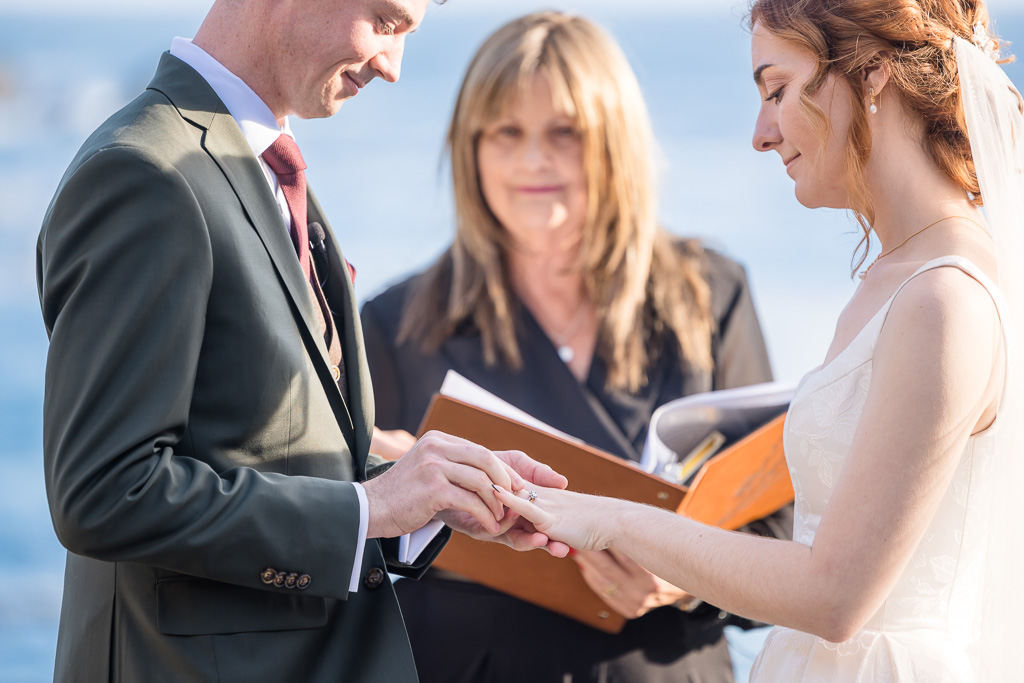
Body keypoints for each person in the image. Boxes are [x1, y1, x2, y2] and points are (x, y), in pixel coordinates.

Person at [35, 1, 570, 681]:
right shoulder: (145, 173)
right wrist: (369, 507)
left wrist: (430, 498)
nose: (393, 65)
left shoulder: (256, 164)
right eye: (385, 20)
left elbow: (259, 453)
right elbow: (105, 490)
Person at [495, 0, 1024, 680]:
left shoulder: (942, 300)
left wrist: (615, 521)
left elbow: (834, 595)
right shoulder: (890, 282)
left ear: (871, 78)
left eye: (776, 90)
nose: (760, 134)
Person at [361, 12, 791, 682]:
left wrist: (681, 579)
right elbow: (350, 540)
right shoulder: (396, 324)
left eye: (564, 133)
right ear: (470, 149)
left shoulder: (712, 295)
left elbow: (777, 540)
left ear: (615, 144)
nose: (534, 160)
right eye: (506, 132)